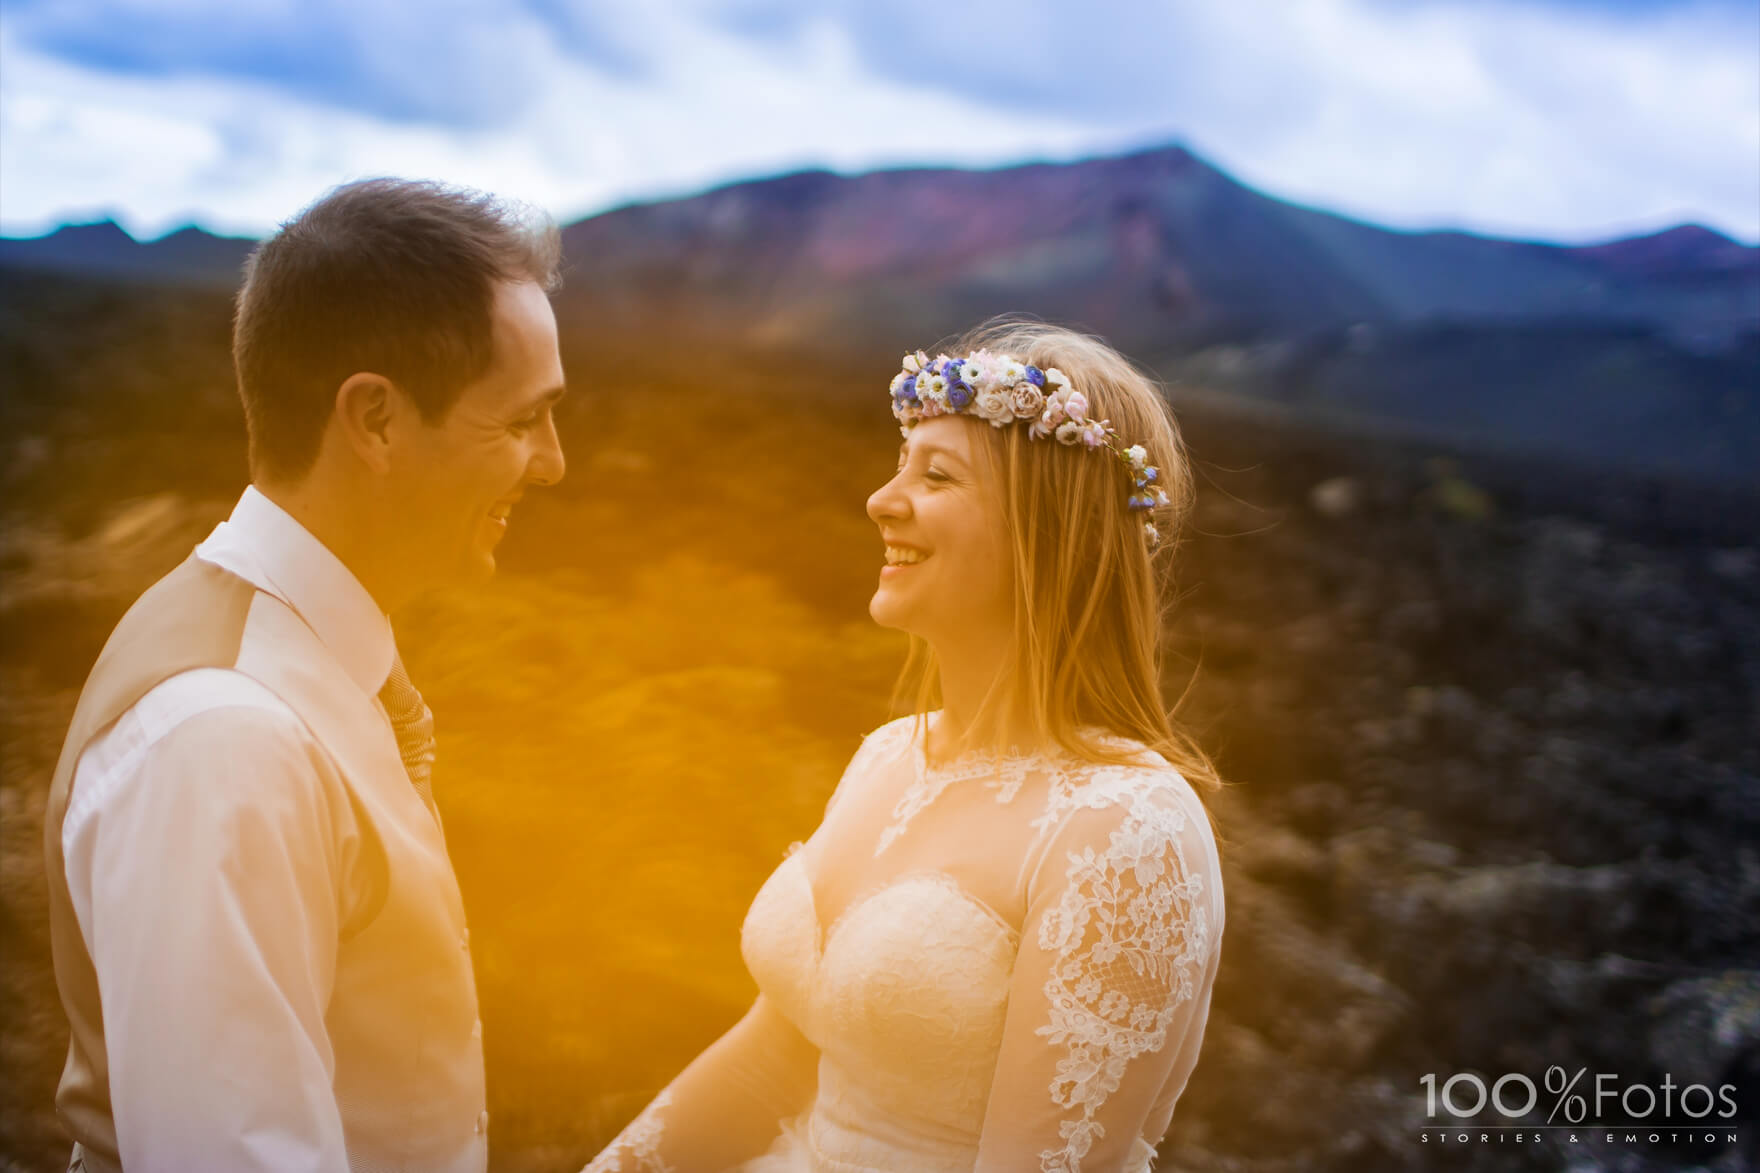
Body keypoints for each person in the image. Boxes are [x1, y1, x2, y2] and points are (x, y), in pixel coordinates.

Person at [585, 320, 1226, 1173]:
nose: (882, 500)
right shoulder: (890, 755)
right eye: (900, 465)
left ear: (1048, 526)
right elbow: (770, 1062)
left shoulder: (1125, 829)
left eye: (937, 475)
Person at [40, 178, 568, 1172]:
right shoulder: (227, 740)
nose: (552, 464)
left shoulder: (299, 664)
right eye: (520, 422)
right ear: (372, 420)